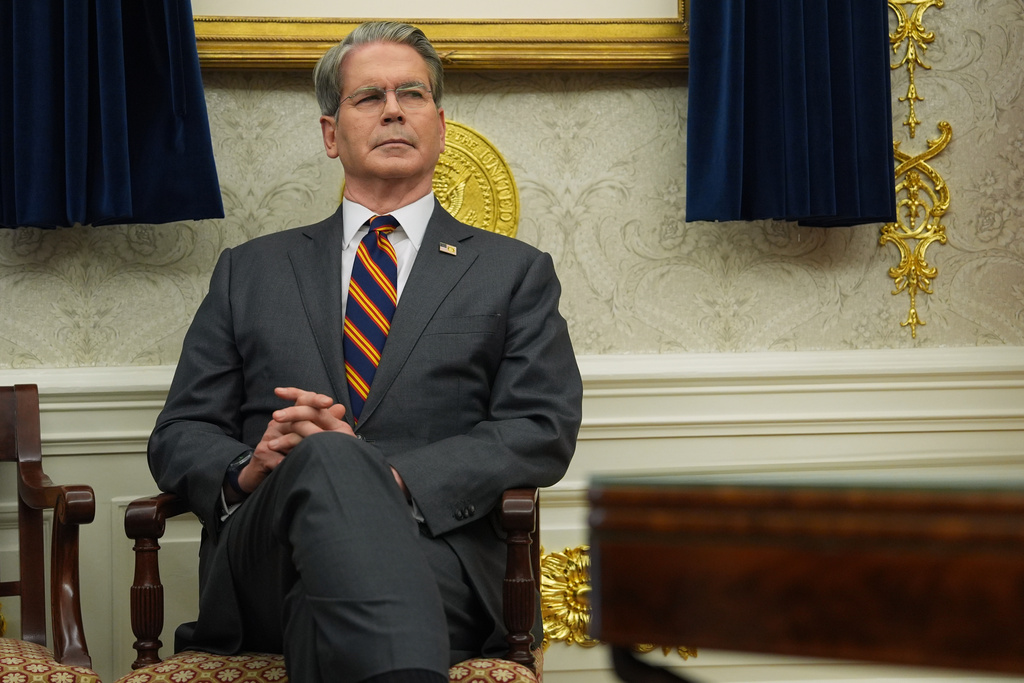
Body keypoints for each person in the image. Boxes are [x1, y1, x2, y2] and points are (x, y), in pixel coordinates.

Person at [147, 20, 583, 683]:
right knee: (323, 457)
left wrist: (396, 481)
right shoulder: (250, 271)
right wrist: (253, 463)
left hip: (435, 553)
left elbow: (539, 427)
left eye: (411, 94)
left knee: (327, 597)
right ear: (331, 133)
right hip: (267, 555)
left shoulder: (513, 271)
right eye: (368, 97)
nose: (393, 109)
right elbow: (178, 434)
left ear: (439, 123)